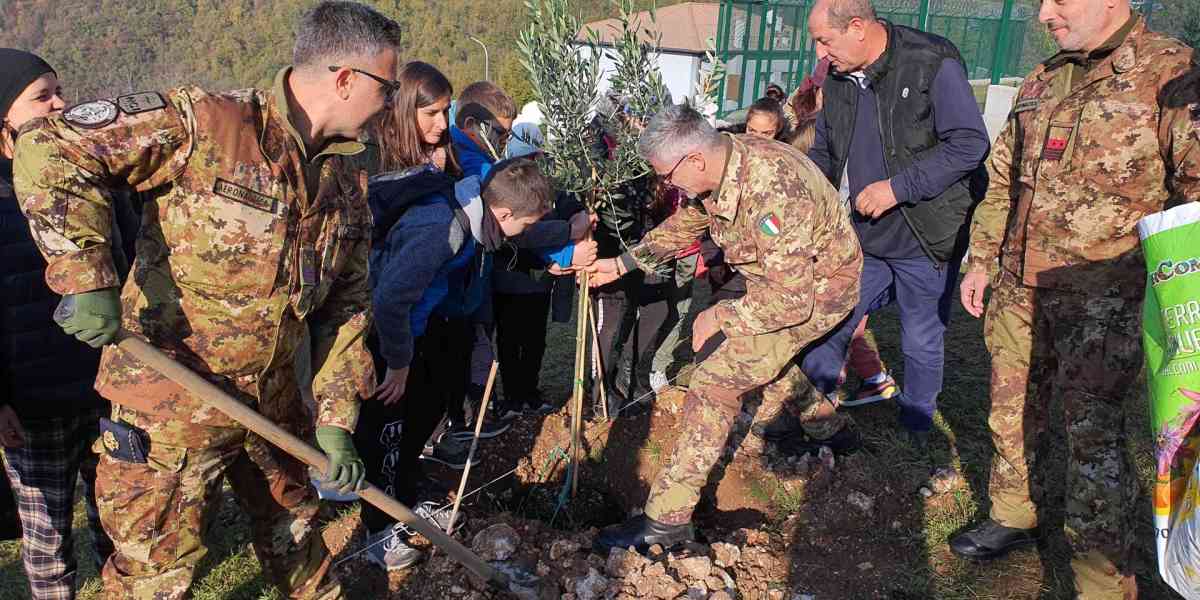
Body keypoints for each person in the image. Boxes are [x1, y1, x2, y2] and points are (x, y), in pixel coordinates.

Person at [13, 2, 401, 597]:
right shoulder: (206, 125)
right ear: (346, 78)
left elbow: (346, 305)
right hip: (170, 408)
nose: (390, 102)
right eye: (388, 86)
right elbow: (53, 150)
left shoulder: (345, 179)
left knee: (302, 552)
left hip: (272, 411)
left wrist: (335, 418)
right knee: (155, 578)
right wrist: (85, 274)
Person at [948, 1, 1199, 597]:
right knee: (1010, 410)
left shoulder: (1172, 74)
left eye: (1060, 0)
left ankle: (1102, 576)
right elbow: (1003, 176)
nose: (1044, 13)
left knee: (1095, 438)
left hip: (1105, 300)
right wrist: (981, 258)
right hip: (1017, 286)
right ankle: (1015, 511)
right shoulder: (1044, 77)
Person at [588, 104, 862, 554]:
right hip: (780, 284)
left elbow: (793, 300)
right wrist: (622, 263)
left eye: (666, 174)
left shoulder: (774, 190)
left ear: (694, 159)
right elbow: (691, 221)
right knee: (760, 364)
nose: (666, 184)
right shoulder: (723, 161)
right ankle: (830, 427)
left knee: (715, 379)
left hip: (820, 292)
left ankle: (665, 522)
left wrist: (720, 315)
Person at [799, 0, 990, 448]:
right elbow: (825, 150)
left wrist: (897, 188)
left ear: (859, 28)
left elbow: (969, 143)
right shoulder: (840, 78)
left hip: (926, 231)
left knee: (921, 335)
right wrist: (805, 198)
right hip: (865, 234)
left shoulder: (930, 61)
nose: (820, 53)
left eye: (825, 40)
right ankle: (814, 408)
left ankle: (917, 422)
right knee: (832, 317)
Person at [363, 157, 558, 570]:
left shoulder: (477, 219)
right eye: (523, 226)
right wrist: (398, 363)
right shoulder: (440, 228)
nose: (521, 235)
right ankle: (376, 530)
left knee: (422, 416)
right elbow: (390, 300)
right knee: (389, 433)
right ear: (504, 213)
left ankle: (405, 493)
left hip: (430, 329)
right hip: (391, 340)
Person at [1, 48, 116, 600]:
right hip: (33, 405)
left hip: (107, 388)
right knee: (47, 538)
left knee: (119, 521)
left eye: (59, 91)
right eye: (42, 97)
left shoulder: (90, 177)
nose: (61, 105)